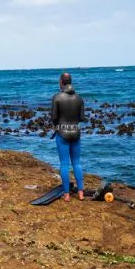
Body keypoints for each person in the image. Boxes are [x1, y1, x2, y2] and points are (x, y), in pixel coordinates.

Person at [51, 71, 85, 202]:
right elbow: (82, 118)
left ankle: (66, 194)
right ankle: (81, 192)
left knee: (64, 163)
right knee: (76, 162)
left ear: (61, 82)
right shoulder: (79, 98)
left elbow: (53, 117)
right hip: (76, 133)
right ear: (70, 82)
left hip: (62, 133)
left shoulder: (57, 97)